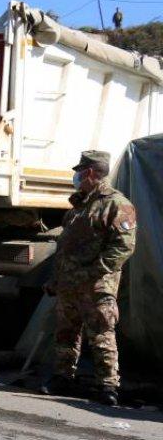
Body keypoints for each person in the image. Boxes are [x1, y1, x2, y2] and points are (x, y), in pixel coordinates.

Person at [41, 150, 137, 407]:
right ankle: (62, 377)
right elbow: (64, 248)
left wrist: (93, 271)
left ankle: (107, 385)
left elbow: (123, 247)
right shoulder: (78, 207)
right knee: (65, 333)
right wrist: (56, 279)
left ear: (91, 173)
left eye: (80, 172)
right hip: (69, 286)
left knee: (101, 335)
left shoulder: (116, 204)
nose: (76, 177)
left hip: (96, 287)